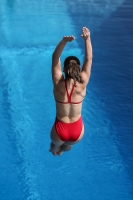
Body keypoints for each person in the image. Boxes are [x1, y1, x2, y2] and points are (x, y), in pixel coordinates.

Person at [49, 27, 92, 156]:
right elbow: (89, 60)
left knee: (55, 144)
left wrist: (63, 41)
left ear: (64, 69)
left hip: (59, 130)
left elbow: (55, 58)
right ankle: (62, 150)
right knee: (68, 145)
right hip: (77, 131)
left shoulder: (58, 84)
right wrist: (87, 39)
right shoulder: (82, 83)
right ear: (78, 69)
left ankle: (55, 150)